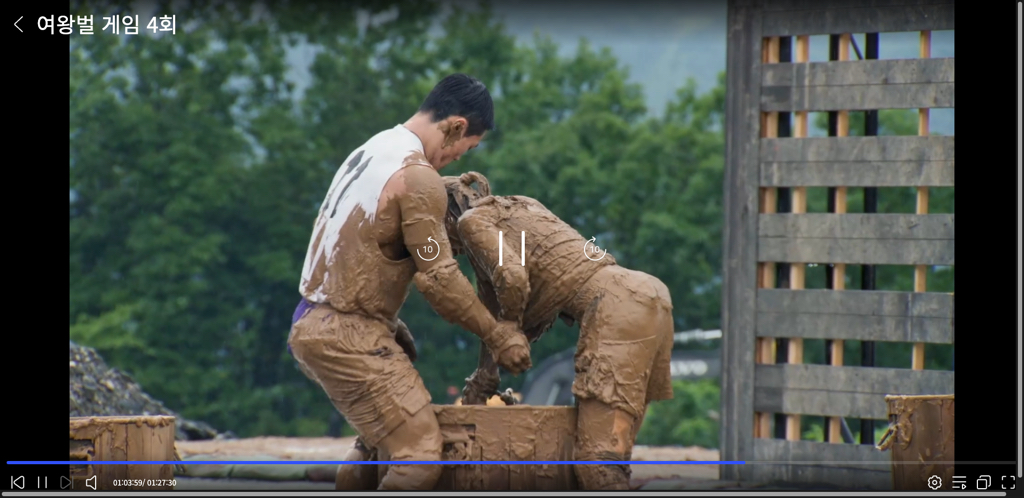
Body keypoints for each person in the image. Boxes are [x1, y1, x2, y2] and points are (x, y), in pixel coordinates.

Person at [287, 75, 533, 491]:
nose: (457, 160)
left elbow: (349, 243)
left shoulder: (372, 148)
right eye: (465, 149)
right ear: (455, 126)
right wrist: (497, 335)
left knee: (375, 449)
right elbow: (439, 280)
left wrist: (387, 320)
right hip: (347, 335)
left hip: (311, 320)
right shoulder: (418, 178)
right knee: (418, 454)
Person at [446, 172, 675, 490]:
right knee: (613, 455)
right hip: (645, 292)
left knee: (598, 465)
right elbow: (518, 308)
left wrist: (510, 329)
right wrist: (482, 383)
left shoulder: (470, 223)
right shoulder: (521, 205)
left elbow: (512, 280)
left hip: (617, 307)